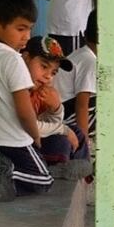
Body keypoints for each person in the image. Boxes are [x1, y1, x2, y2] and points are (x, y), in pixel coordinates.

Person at [0, 0, 52, 201]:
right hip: (12, 141)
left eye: (29, 29)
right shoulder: (12, 59)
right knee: (44, 179)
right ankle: (11, 174)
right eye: (20, 29)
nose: (26, 36)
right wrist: (35, 138)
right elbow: (24, 111)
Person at [22, 36, 91, 178]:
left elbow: (50, 125)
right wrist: (63, 129)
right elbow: (26, 126)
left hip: (34, 140)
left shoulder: (37, 91)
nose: (48, 76)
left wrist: (55, 108)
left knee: (76, 132)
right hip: (19, 144)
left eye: (53, 72)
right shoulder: (18, 90)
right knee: (61, 141)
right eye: (44, 66)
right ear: (26, 58)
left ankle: (78, 171)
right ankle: (55, 169)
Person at [55, 9, 98, 136]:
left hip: (61, 111)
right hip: (65, 116)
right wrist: (83, 144)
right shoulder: (90, 61)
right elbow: (82, 105)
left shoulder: (83, 53)